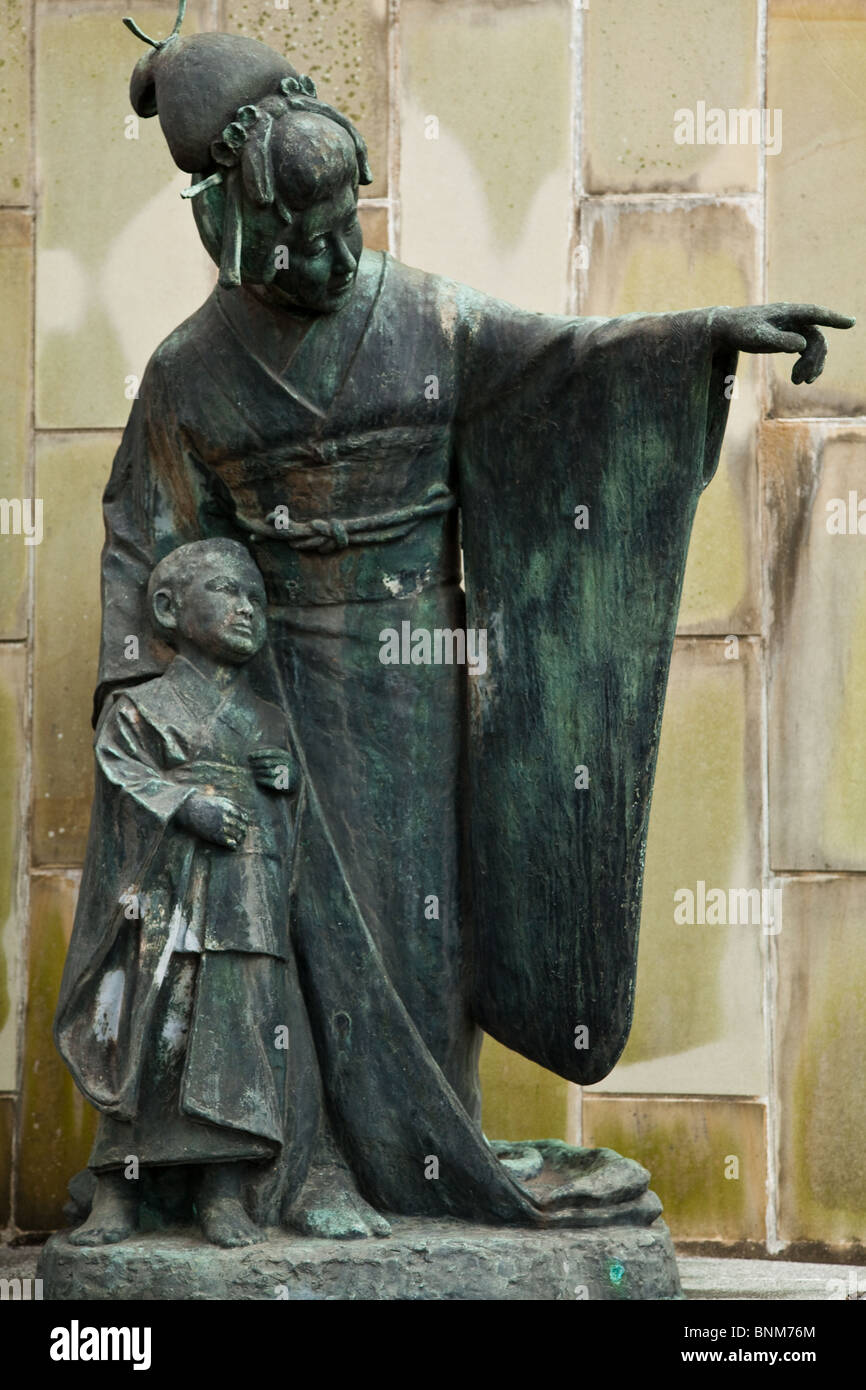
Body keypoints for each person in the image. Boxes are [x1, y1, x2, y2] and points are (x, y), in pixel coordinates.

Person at [66, 10, 854, 1237]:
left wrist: (699, 339)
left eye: (345, 233)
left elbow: (565, 367)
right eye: (301, 244)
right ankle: (300, 1164)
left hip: (410, 669)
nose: (332, 265)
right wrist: (137, 696)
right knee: (285, 935)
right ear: (234, 230)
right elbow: (142, 544)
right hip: (267, 680)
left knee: (419, 921)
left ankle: (425, 1163)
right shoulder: (187, 373)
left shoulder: (427, 317)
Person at [56, 539, 323, 1248]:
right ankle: (116, 1191)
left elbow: (294, 831)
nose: (246, 608)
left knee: (238, 1038)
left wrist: (283, 789)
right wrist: (184, 805)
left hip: (246, 902)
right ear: (169, 609)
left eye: (256, 598)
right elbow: (121, 781)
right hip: (165, 906)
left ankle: (223, 1191)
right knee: (147, 1035)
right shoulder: (137, 707)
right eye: (227, 591)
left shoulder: (267, 717)